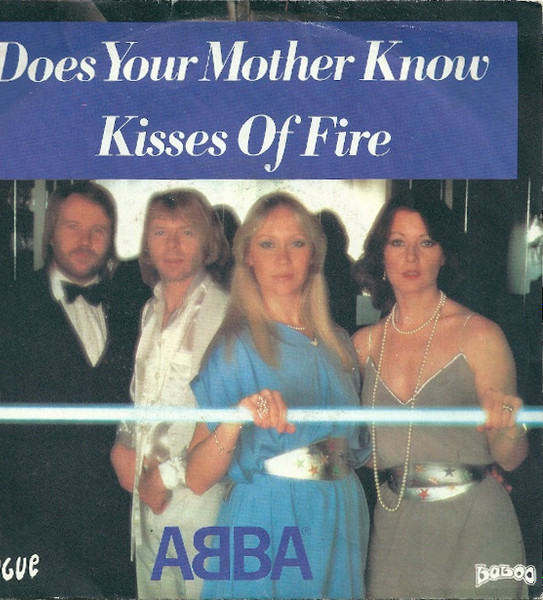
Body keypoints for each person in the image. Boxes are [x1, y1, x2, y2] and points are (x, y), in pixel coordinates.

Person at [186, 192, 370, 600]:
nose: (283, 259)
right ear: (248, 256)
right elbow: (196, 478)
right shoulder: (233, 348)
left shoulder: (341, 344)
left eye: (296, 243)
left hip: (341, 515)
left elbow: (360, 449)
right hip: (270, 518)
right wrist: (235, 419)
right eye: (268, 244)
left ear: (314, 255)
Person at [0, 181, 137, 598]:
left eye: (98, 230)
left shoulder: (133, 305)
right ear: (50, 232)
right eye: (73, 226)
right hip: (34, 516)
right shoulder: (6, 302)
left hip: (116, 519)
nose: (85, 240)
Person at [352, 189, 529, 599]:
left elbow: (512, 458)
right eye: (398, 242)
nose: (411, 257)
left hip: (476, 527)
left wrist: (508, 426)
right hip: (394, 528)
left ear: (444, 254)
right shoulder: (363, 346)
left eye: (426, 242)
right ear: (381, 254)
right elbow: (355, 451)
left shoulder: (480, 335)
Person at [111, 188, 231, 600]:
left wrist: (166, 477)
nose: (173, 245)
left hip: (197, 499)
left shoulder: (222, 312)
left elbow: (223, 417)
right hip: (146, 499)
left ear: (207, 241)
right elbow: (143, 396)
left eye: (187, 232)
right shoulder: (151, 309)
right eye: (161, 232)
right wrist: (123, 442)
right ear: (147, 243)